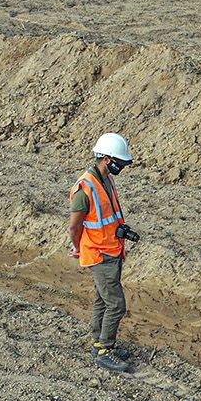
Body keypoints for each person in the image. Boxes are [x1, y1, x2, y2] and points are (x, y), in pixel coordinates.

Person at [70, 133, 140, 373]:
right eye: (120, 162)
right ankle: (104, 350)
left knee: (103, 299)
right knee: (116, 305)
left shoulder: (106, 179)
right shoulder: (84, 188)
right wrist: (77, 246)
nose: (122, 166)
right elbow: (74, 225)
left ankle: (98, 342)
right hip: (99, 254)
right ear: (107, 159)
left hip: (112, 249)